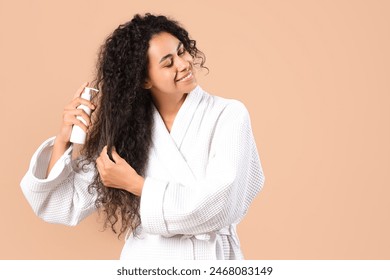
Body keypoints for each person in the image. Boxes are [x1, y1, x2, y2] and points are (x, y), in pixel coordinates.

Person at [20, 13, 265, 260]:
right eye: (168, 63)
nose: (183, 64)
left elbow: (221, 205)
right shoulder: (126, 132)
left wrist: (136, 185)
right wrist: (64, 140)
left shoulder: (229, 115)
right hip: (146, 262)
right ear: (144, 79)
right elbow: (61, 204)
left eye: (182, 52)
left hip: (211, 259)